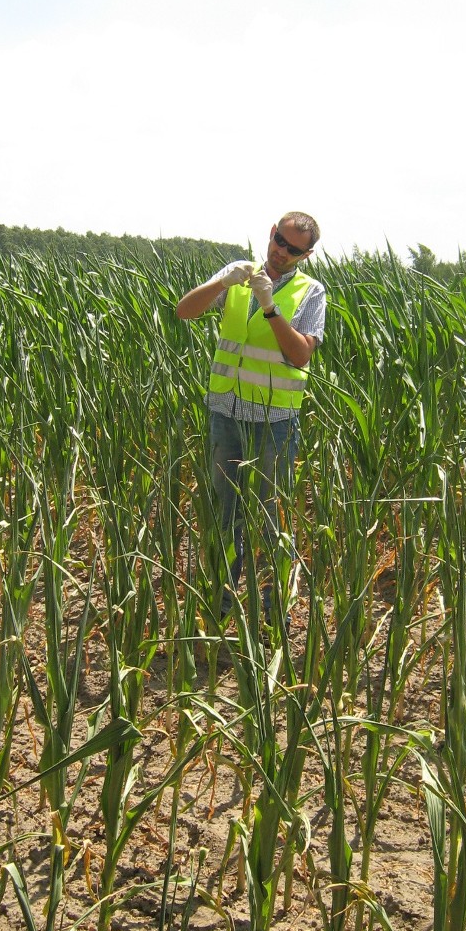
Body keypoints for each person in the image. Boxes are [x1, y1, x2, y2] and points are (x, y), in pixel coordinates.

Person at [175, 212, 326, 629]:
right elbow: (184, 311)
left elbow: (300, 356)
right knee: (226, 513)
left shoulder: (311, 292)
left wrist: (270, 308)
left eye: (293, 249)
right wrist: (223, 283)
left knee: (268, 515)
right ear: (271, 234)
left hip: (273, 422)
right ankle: (222, 606)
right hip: (226, 412)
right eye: (279, 240)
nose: (281, 252)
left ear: (306, 255)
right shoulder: (238, 275)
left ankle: (272, 613)